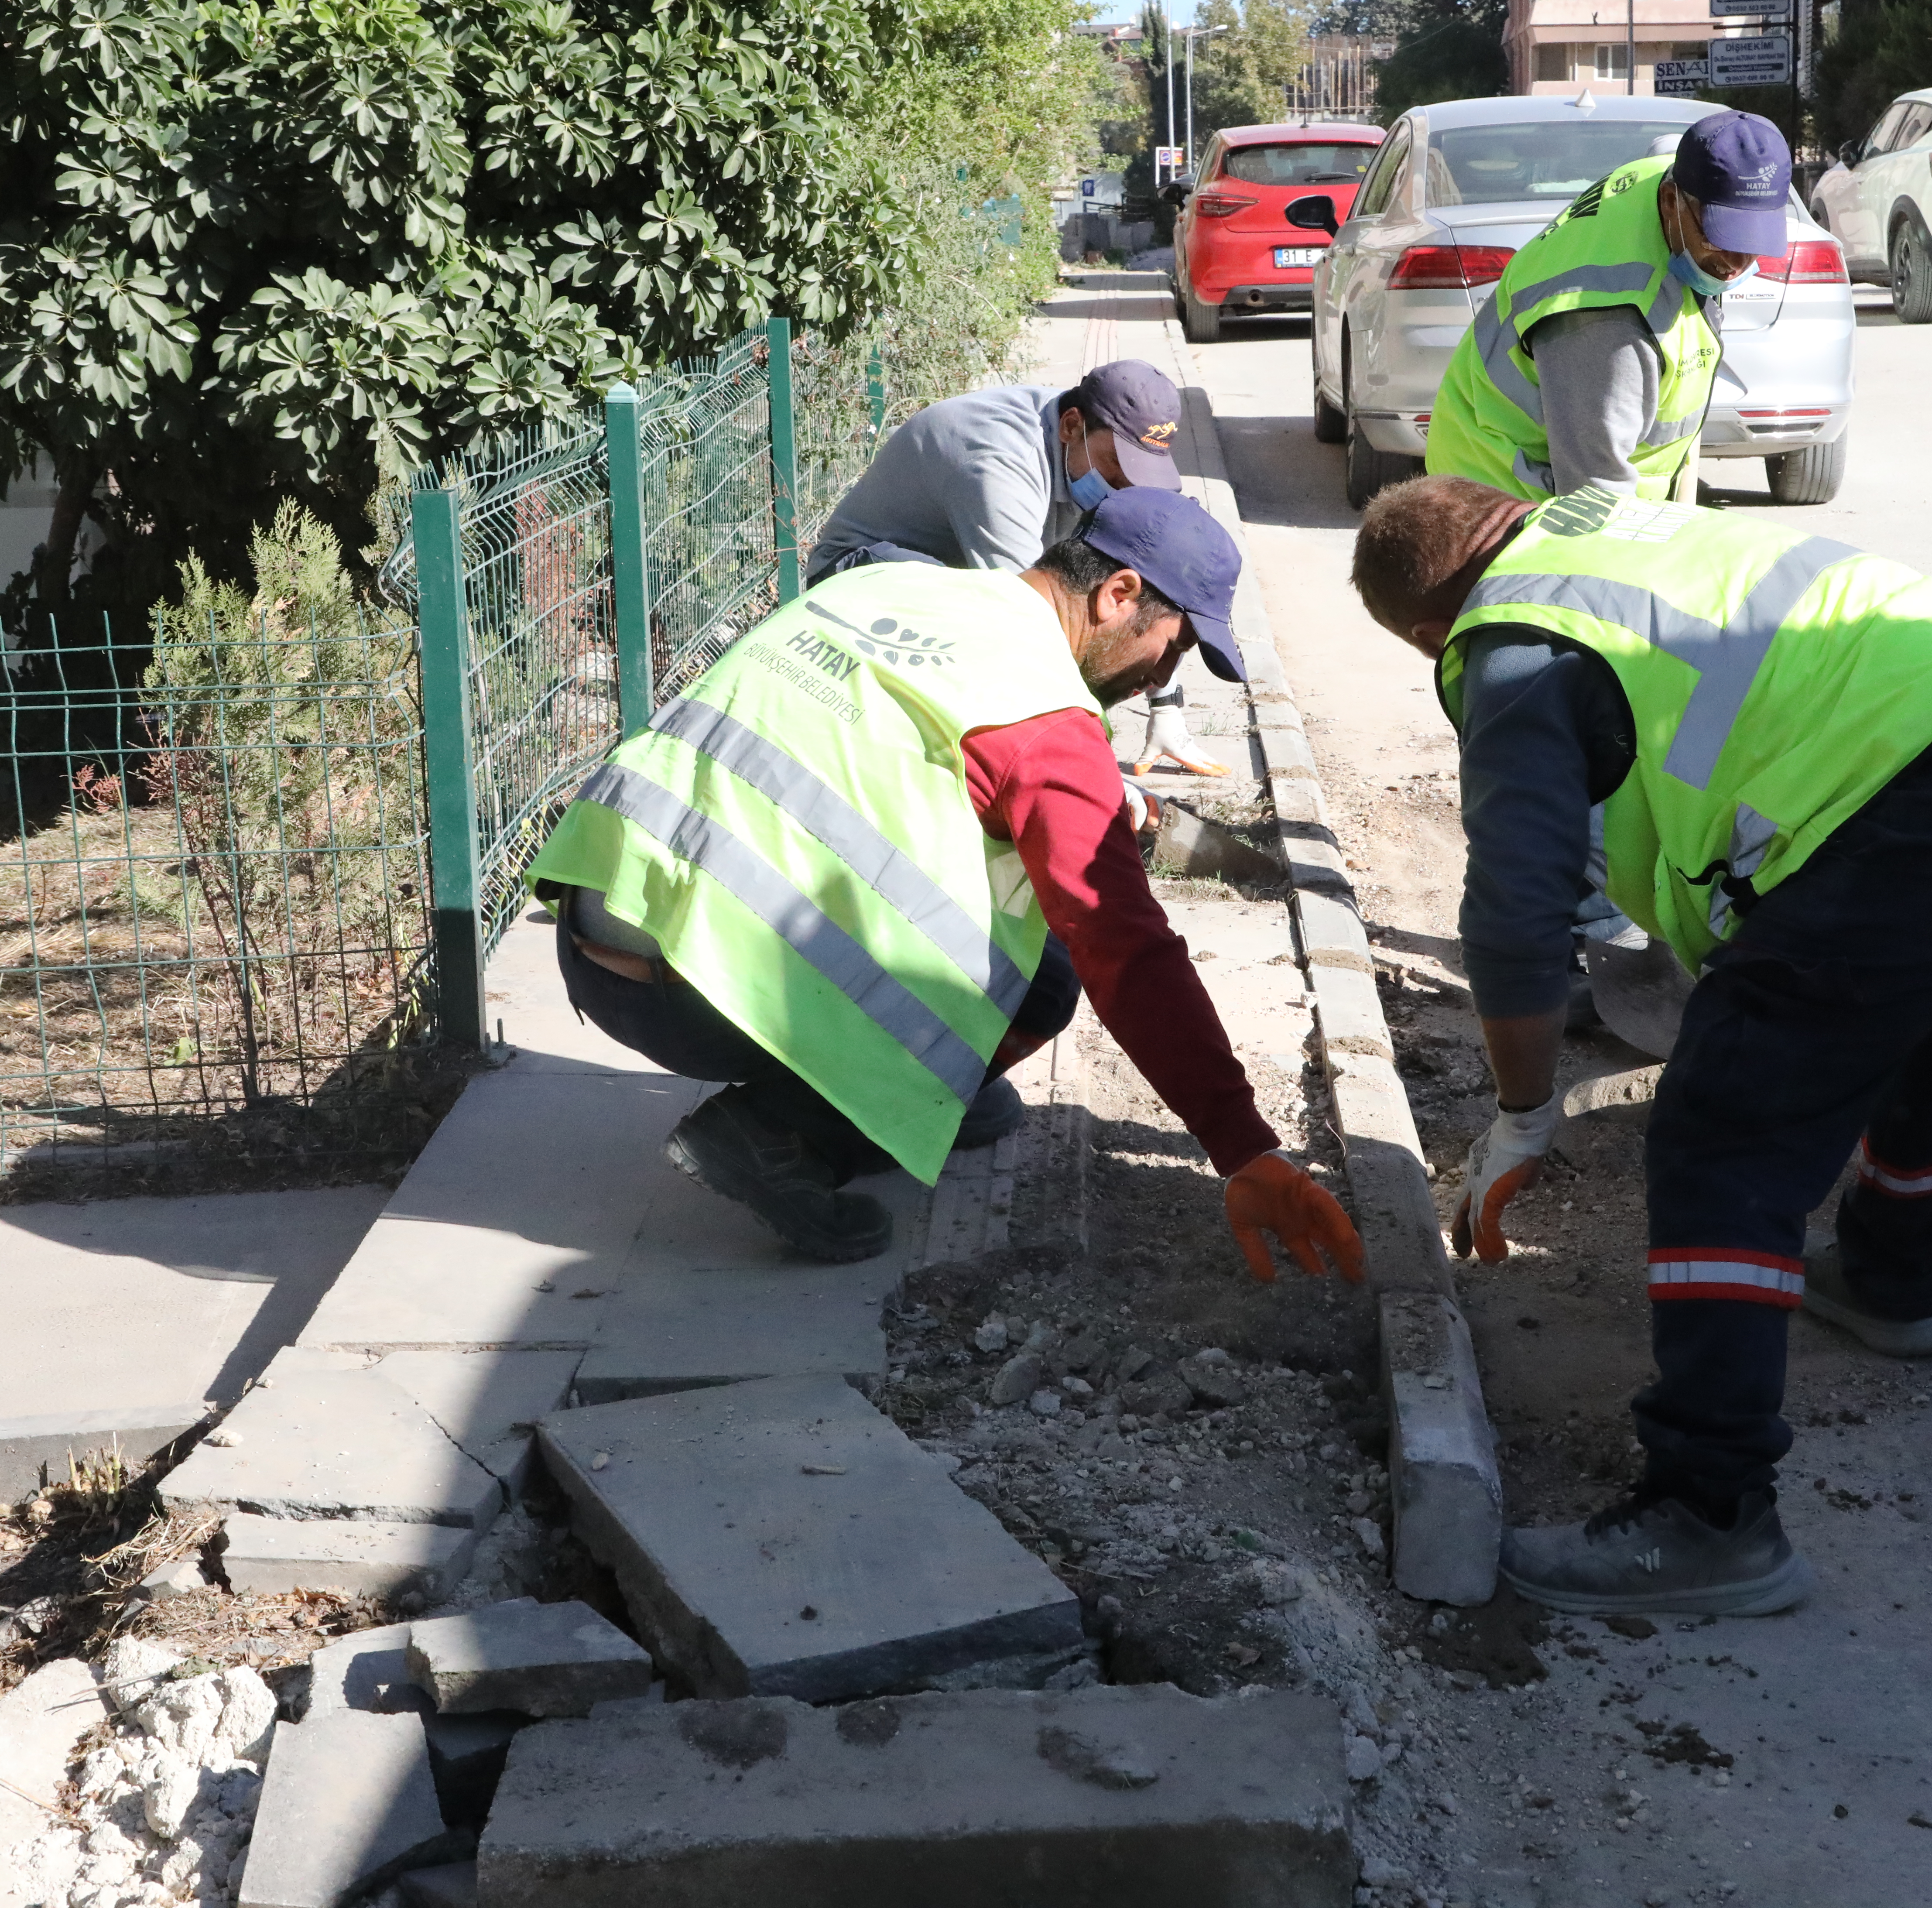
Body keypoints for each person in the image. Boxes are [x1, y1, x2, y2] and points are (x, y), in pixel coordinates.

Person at [1349, 475, 1932, 1617]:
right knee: (1910, 1005)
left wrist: (1525, 1114)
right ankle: (1894, 1279)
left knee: (1723, 1126)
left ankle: (1709, 1515)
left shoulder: (1515, 638)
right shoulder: (1615, 529)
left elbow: (1516, 912)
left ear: (1432, 629)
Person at [529, 488, 1362, 1288]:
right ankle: (782, 1132)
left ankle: (900, 1096)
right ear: (1118, 594)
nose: (1162, 676)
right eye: (1174, 647)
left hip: (593, 935)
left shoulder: (891, 582)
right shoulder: (1044, 719)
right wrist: (1245, 1148)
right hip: (700, 994)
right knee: (1047, 980)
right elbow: (1129, 950)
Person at [809, 358, 1232, 781]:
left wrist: (1166, 705)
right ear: (1072, 426)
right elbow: (1029, 624)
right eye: (1117, 468)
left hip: (957, 574)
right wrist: (1087, 780)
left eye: (1141, 476)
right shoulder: (999, 461)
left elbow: (1147, 592)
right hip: (855, 577)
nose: (1126, 489)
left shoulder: (1081, 443)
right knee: (1021, 645)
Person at [1425, 109, 1793, 504]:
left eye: (1753, 241)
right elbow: (1594, 499)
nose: (1737, 264)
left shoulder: (1668, 179)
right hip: (1510, 507)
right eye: (1720, 238)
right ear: (1672, 202)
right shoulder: (1607, 318)